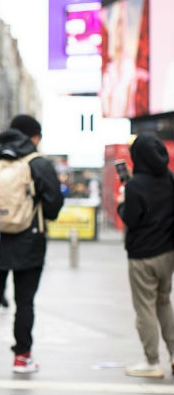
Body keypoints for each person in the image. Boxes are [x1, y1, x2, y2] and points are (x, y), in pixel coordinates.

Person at [0, 114, 63, 374]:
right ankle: (22, 357)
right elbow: (54, 207)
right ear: (34, 137)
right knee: (25, 302)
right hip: (30, 241)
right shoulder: (39, 164)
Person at [117, 134, 174, 378]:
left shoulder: (135, 185)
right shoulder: (170, 178)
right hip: (167, 253)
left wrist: (122, 202)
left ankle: (152, 361)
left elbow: (131, 219)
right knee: (164, 302)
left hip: (142, 255)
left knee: (145, 309)